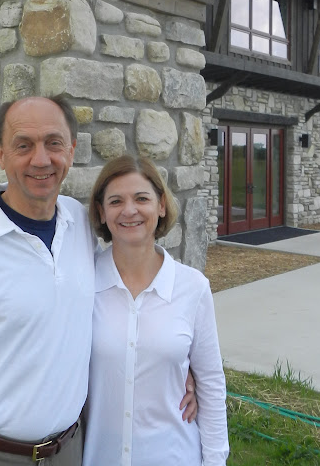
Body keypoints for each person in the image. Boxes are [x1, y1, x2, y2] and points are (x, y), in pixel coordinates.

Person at [0, 94, 197, 465]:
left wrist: (177, 368)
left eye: (54, 143)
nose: (41, 159)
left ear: (70, 150)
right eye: (24, 145)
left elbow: (127, 302)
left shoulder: (81, 227)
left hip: (69, 451)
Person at [84, 154, 229, 466]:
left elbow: (211, 384)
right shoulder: (82, 281)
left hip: (174, 455)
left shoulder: (193, 288)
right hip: (99, 456)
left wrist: (216, 460)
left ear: (161, 205)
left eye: (141, 198)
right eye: (115, 201)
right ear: (101, 211)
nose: (129, 210)